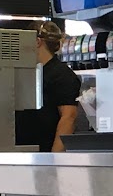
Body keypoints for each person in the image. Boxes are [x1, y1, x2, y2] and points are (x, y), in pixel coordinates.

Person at [32, 21, 81, 153]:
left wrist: (54, 158)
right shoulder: (33, 72)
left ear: (37, 42)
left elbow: (68, 118)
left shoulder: (62, 75)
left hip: (45, 152)